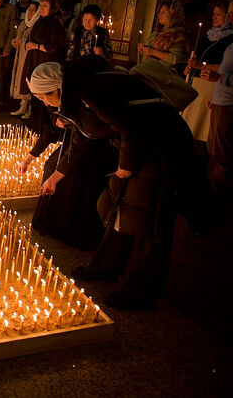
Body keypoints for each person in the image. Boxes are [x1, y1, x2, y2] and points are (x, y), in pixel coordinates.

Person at [64, 56, 210, 310]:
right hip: (148, 146)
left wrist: (126, 165)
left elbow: (130, 128)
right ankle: (107, 265)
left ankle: (139, 290)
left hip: (161, 152)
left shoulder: (94, 90)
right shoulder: (106, 82)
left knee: (148, 221)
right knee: (122, 209)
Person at [18, 61, 116, 251]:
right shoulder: (60, 101)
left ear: (55, 90)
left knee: (73, 178)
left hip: (95, 148)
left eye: (43, 97)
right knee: (51, 167)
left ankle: (74, 233)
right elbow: (49, 131)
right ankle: (53, 225)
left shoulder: (83, 102)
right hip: (77, 142)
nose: (44, 103)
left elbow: (83, 142)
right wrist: (29, 158)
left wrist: (56, 177)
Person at [182, 0, 233, 141]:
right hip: (197, 84)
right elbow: (198, 57)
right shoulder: (208, 35)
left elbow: (224, 67)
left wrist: (201, 66)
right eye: (213, 14)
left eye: (218, 15)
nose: (213, 18)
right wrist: (191, 66)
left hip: (211, 86)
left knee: (202, 130)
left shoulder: (231, 38)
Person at [201, 0, 233, 210]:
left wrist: (220, 81)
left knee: (222, 158)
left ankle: (218, 206)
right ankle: (210, 201)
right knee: (213, 152)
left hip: (231, 106)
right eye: (230, 13)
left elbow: (226, 75)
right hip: (221, 102)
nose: (231, 18)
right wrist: (215, 97)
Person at [19, 0, 66, 123]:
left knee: (44, 96)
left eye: (45, 6)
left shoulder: (56, 23)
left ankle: (43, 126)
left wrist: (37, 46)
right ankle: (34, 121)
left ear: (52, 8)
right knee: (35, 94)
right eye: (41, 6)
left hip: (45, 62)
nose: (42, 9)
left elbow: (56, 46)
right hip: (34, 60)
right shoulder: (39, 21)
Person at [139, 0, 188, 70]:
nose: (159, 15)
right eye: (159, 12)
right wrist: (143, 50)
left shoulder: (178, 36)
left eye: (163, 12)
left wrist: (154, 52)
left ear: (172, 14)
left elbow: (175, 58)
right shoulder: (156, 33)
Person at [10, 0, 40, 116]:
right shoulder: (24, 24)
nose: (30, 12)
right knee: (20, 79)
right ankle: (23, 105)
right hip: (21, 55)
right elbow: (19, 37)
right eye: (30, 9)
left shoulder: (37, 26)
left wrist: (22, 42)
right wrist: (16, 42)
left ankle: (30, 109)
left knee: (28, 80)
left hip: (31, 57)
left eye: (34, 10)